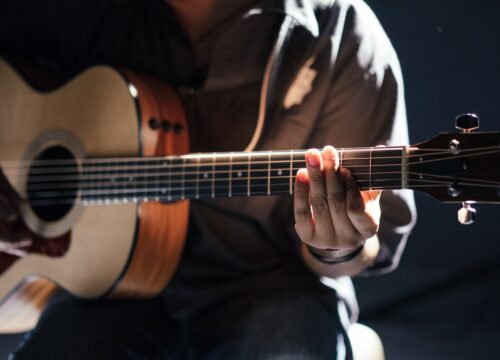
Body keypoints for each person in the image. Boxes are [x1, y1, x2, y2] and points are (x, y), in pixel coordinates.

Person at [0, 0, 416, 358]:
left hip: (272, 289)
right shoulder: (66, 11)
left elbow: (367, 248)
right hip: (104, 293)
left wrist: (336, 246)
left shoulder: (341, 31)